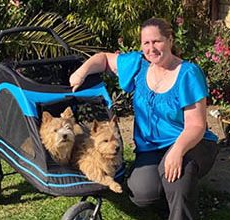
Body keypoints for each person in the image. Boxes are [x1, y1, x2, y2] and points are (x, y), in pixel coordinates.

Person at [69, 17, 219, 220]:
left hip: (191, 143)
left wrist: (177, 151)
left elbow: (196, 125)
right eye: (146, 43)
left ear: (170, 40)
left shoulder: (188, 74)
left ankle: (181, 207)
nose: (151, 48)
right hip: (152, 149)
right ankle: (170, 194)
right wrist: (81, 72)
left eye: (157, 41)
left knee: (176, 174)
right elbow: (103, 59)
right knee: (141, 192)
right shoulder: (139, 66)